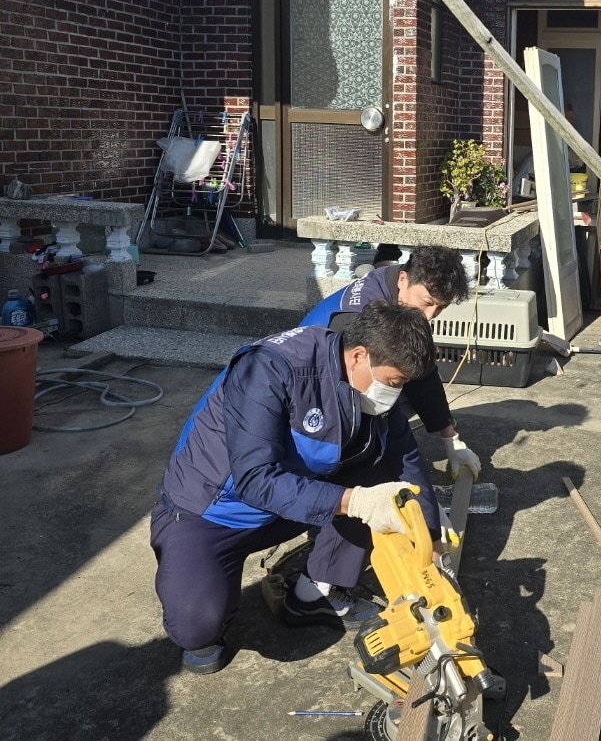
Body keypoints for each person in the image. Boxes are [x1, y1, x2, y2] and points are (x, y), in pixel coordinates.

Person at [150, 301, 441, 675]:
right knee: (197, 629)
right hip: (212, 512)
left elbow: (404, 457)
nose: (395, 394)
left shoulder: (367, 381)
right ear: (358, 356)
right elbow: (254, 480)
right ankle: (203, 576)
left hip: (290, 502)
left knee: (386, 493)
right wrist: (352, 500)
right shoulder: (270, 368)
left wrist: (429, 538)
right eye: (395, 382)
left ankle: (316, 591)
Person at [300, 245, 480, 480]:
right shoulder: (359, 315)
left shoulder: (400, 285)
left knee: (405, 377)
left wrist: (451, 439)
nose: (429, 315)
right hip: (312, 385)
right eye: (427, 302)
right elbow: (339, 383)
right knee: (388, 393)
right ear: (403, 279)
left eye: (441, 308)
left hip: (349, 368)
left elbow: (423, 374)